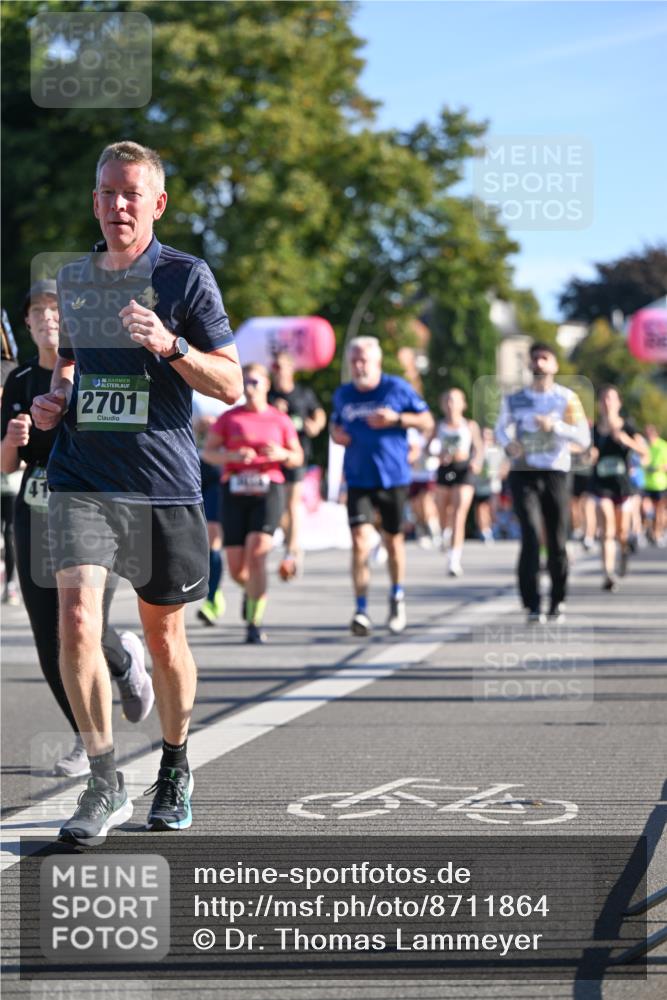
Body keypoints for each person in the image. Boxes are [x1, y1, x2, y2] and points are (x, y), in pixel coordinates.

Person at [31, 141, 242, 845]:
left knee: (163, 636)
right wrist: (56, 400)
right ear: (94, 201)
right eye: (106, 193)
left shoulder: (186, 277)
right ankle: (103, 778)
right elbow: (69, 366)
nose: (117, 205)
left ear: (157, 203)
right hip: (83, 475)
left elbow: (231, 384)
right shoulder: (76, 277)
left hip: (161, 481)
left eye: (131, 194)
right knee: (77, 621)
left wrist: (172, 347)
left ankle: (176, 765)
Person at [1, 280, 153, 777]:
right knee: (48, 634)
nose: (47, 317)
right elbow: (5, 467)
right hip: (36, 511)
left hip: (90, 509)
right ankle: (82, 734)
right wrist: (11, 438)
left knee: (83, 624)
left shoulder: (95, 371)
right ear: (26, 324)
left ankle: (123, 659)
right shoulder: (20, 381)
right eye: (38, 311)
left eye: (56, 310)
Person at [330, 336, 434, 636]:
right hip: (358, 477)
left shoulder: (396, 388)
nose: (359, 366)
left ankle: (397, 595)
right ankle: (361, 609)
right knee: (360, 541)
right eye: (354, 361)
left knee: (393, 541)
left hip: (393, 477)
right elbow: (337, 428)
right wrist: (338, 436)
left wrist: (397, 419)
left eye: (364, 360)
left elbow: (427, 421)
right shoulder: (344, 394)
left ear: (376, 362)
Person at [203, 363, 303, 644]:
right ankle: (253, 591)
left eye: (256, 382)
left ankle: (254, 622)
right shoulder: (229, 418)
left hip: (268, 490)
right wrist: (232, 458)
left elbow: (297, 458)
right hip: (234, 492)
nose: (250, 387)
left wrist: (282, 453)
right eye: (246, 381)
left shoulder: (279, 419)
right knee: (237, 568)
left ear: (267, 385)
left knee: (258, 553)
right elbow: (209, 453)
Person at [495, 341, 590, 623]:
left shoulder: (566, 398)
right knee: (531, 536)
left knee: (558, 539)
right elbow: (500, 428)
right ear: (529, 365)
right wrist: (509, 444)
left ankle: (558, 600)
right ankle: (532, 603)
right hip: (524, 473)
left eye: (544, 359)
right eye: (535, 359)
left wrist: (555, 426)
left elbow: (583, 438)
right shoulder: (515, 399)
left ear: (554, 366)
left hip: (555, 473)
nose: (539, 364)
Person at [268, 351, 326, 580]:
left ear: (291, 369)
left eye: (282, 366)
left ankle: (291, 552)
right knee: (280, 507)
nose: (278, 371)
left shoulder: (302, 393)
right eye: (275, 367)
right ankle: (293, 544)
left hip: (297, 454)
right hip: (272, 456)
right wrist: (275, 412)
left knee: (292, 503)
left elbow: (319, 413)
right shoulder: (269, 396)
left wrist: (316, 425)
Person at [589, 385, 648, 590]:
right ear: (600, 403)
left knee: (621, 532)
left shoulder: (628, 427)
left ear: (619, 403)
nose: (607, 403)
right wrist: (589, 456)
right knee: (607, 531)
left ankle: (623, 550)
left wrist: (626, 441)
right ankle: (608, 574)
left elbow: (645, 454)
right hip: (601, 485)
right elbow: (583, 454)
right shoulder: (594, 431)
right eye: (604, 399)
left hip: (623, 487)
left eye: (611, 399)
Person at [433, 388, 484, 576]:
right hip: (445, 468)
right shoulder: (439, 426)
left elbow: (479, 448)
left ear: (463, 404)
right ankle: (445, 533)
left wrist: (476, 462)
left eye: (454, 400)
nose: (450, 404)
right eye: (447, 400)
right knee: (442, 511)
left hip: (464, 469)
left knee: (459, 513)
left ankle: (454, 559)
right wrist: (437, 454)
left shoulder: (470, 425)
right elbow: (427, 449)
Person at [192, 390, 231, 626]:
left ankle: (212, 597)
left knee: (213, 537)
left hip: (217, 472)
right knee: (196, 539)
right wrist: (197, 427)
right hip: (188, 468)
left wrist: (217, 429)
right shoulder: (179, 371)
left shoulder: (229, 383)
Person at [643, 424, 667, 545]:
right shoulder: (644, 445)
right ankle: (648, 529)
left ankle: (657, 533)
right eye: (647, 435)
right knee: (644, 507)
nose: (649, 437)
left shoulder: (663, 446)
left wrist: (657, 468)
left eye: (650, 434)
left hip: (659, 484)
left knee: (659, 510)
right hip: (645, 484)